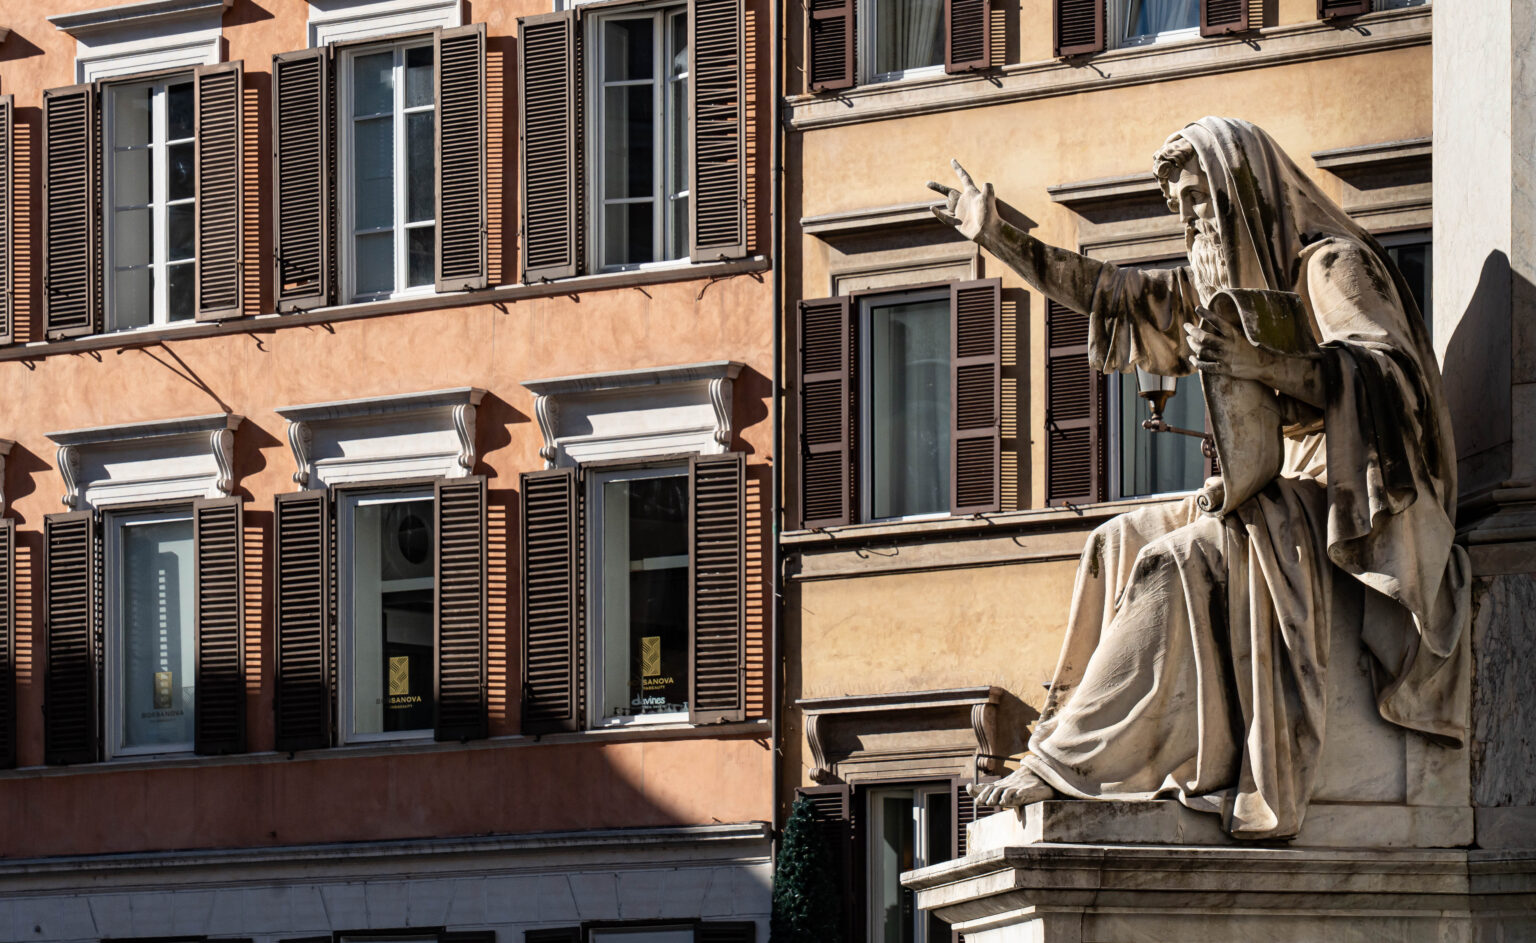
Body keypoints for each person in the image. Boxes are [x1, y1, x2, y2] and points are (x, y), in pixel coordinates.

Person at [926, 117, 1469, 839]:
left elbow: (1386, 376)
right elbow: (1110, 293)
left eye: (1197, 201)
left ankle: (1072, 764)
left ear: (1242, 190)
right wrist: (1001, 239)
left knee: (1176, 558)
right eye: (1180, 209)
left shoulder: (1331, 266)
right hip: (1273, 493)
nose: (1188, 224)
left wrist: (1261, 365)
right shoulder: (1223, 289)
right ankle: (1068, 740)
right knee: (1114, 540)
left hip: (1352, 509)